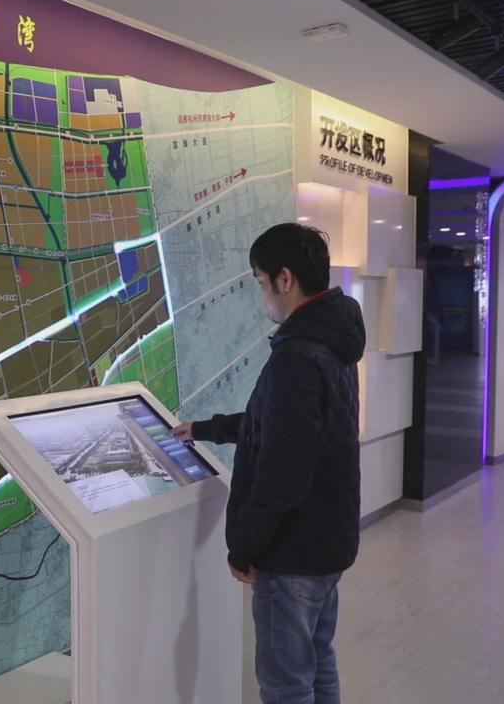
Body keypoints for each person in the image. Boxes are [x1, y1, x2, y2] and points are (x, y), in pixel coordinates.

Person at [174, 222, 365, 704]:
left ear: (285, 279)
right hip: (327, 542)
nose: (262, 295)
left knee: (286, 686)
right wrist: (204, 429)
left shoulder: (297, 357)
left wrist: (243, 549)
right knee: (317, 663)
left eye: (260, 281)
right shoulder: (333, 343)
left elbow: (283, 475)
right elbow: (279, 425)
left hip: (292, 552)